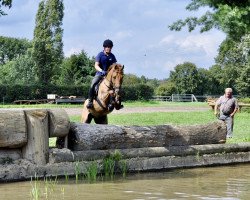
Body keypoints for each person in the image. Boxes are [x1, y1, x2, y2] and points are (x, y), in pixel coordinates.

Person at [86, 39, 117, 109]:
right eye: (107, 47)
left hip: (109, 76)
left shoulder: (112, 56)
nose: (109, 48)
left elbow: (115, 66)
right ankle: (90, 101)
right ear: (104, 47)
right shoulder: (100, 55)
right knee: (93, 83)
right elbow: (96, 65)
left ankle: (115, 102)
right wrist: (101, 70)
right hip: (100, 74)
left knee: (117, 86)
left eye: (110, 47)